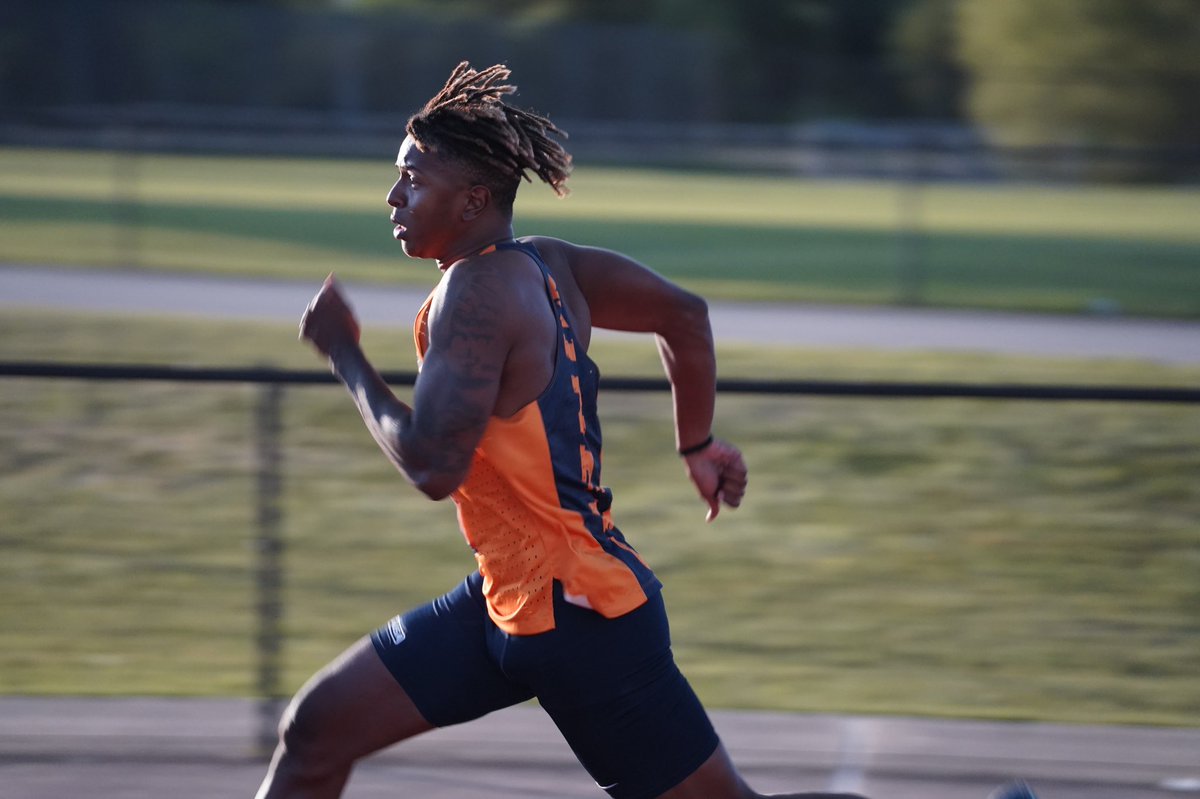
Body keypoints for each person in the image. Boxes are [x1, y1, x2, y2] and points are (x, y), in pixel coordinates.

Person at [256, 62, 1036, 799]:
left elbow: (431, 465)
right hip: (506, 598)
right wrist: (695, 444)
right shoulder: (548, 265)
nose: (393, 196)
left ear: (472, 199)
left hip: (582, 619)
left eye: (412, 178)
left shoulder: (477, 295)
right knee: (316, 730)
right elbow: (682, 316)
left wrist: (345, 354)